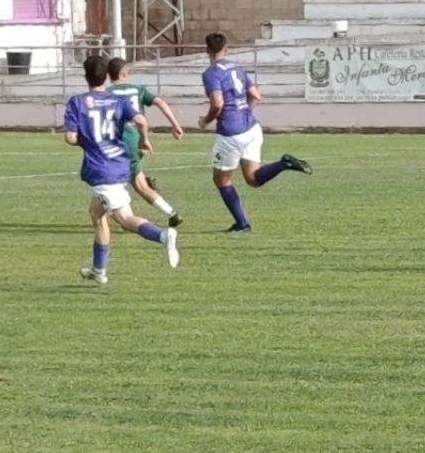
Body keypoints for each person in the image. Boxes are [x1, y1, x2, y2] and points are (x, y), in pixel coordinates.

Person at [64, 54, 180, 284]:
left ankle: (163, 235)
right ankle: (98, 270)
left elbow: (70, 137)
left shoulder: (77, 102)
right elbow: (141, 121)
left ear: (86, 76)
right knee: (97, 214)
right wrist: (143, 140)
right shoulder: (117, 100)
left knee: (125, 219)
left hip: (101, 170)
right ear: (105, 76)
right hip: (119, 163)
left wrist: (88, 140)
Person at [199, 32, 311, 232]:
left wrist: (205, 121)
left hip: (231, 134)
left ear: (207, 50)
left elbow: (217, 103)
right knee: (253, 179)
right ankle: (284, 163)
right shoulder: (238, 68)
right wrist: (245, 111)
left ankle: (242, 224)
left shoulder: (211, 73)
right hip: (251, 128)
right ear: (226, 49)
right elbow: (256, 95)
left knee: (222, 180)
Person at [107, 57, 185, 227]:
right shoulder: (137, 90)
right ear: (124, 73)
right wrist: (175, 125)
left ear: (109, 74)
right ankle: (171, 214)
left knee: (130, 185)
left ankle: (126, 218)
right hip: (136, 141)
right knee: (136, 182)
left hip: (118, 144)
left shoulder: (106, 93)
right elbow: (160, 102)